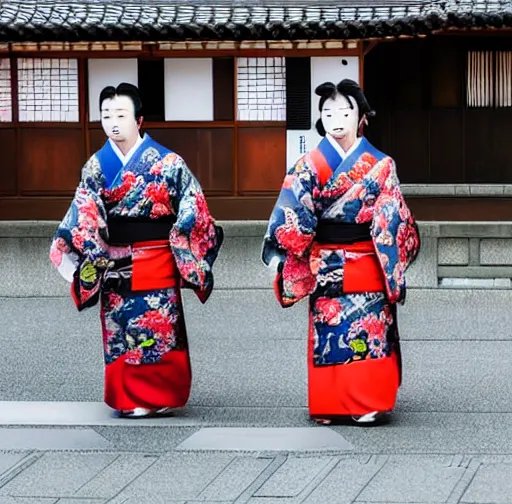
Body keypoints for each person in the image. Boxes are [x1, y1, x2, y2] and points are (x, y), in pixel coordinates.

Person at [50, 83, 223, 418]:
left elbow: (193, 205)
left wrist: (182, 236)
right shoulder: (96, 166)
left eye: (121, 115)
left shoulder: (168, 163)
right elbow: (83, 211)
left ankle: (163, 395)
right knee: (121, 327)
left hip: (158, 256)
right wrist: (90, 244)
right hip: (114, 260)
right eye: (106, 116)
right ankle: (129, 399)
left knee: (160, 326)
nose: (113, 122)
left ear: (139, 120)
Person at [262, 79, 420, 425]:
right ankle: (330, 404)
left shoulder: (382, 165)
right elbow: (292, 215)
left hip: (368, 260)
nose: (336, 118)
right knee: (330, 332)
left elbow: (393, 217)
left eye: (345, 111)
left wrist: (389, 247)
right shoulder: (307, 165)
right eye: (328, 111)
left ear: (361, 116)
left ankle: (369, 401)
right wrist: (287, 253)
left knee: (369, 329)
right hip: (325, 262)